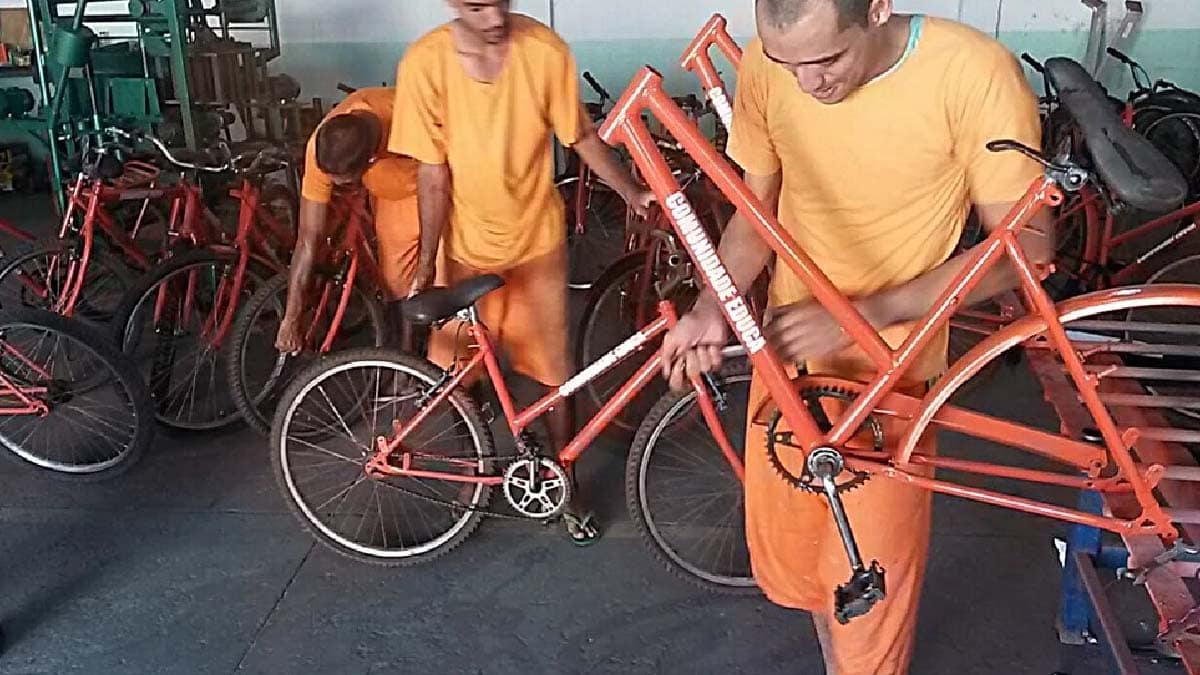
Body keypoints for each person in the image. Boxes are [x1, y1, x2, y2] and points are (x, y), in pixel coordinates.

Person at [659, 0, 1054, 672]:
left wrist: (863, 311)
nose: (809, 83)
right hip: (789, 364)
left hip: (892, 377)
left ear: (877, 9)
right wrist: (710, 306)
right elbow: (758, 213)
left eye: (828, 59)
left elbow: (1031, 246)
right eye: (789, 63)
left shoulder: (972, 73)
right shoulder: (768, 63)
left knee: (870, 607)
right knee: (810, 572)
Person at [390, 0, 653, 544]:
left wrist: (632, 192)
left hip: (537, 245)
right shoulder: (425, 64)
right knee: (458, 375)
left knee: (556, 376)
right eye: (477, 7)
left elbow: (579, 138)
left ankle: (566, 486)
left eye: (502, 3)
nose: (494, 18)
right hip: (466, 249)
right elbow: (432, 174)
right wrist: (426, 267)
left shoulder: (544, 52)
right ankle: (474, 479)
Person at [276, 87, 433, 354]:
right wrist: (291, 318)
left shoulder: (409, 118)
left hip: (434, 184)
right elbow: (307, 240)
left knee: (441, 280)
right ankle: (405, 363)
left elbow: (448, 169)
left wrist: (428, 258)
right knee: (398, 285)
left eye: (345, 183)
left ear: (371, 161)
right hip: (391, 193)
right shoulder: (321, 148)